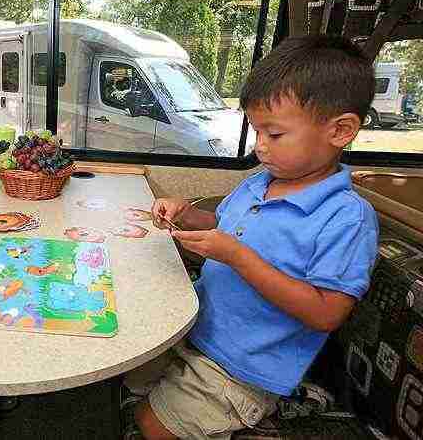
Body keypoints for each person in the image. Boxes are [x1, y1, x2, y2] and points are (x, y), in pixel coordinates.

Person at [127, 36, 380, 440]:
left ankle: (274, 402)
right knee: (127, 367)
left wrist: (239, 257)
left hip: (245, 365)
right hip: (195, 328)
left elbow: (326, 313)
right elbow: (226, 225)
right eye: (256, 132)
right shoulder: (259, 183)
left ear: (340, 130)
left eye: (274, 134)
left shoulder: (347, 218)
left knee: (150, 427)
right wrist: (188, 214)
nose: (260, 147)